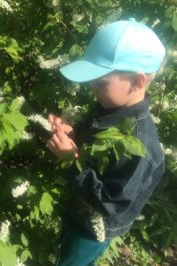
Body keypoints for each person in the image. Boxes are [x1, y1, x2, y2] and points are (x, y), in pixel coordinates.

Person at [47, 18, 166, 266]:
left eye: (100, 82)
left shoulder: (141, 147)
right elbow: (93, 138)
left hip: (92, 229)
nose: (92, 88)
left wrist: (72, 160)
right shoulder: (109, 104)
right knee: (63, 255)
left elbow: (111, 204)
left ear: (137, 81)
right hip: (79, 209)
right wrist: (73, 133)